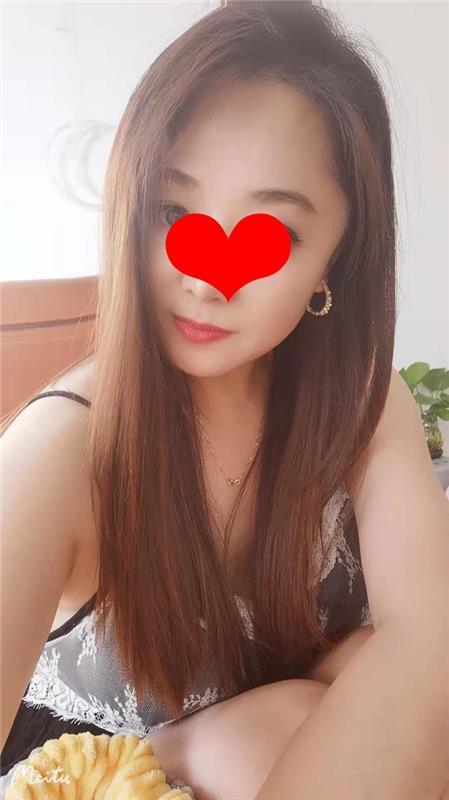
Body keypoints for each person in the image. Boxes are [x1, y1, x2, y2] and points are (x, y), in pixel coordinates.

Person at [3, 3, 448, 799]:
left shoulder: (357, 398)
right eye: (173, 213)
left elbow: (427, 635)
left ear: (334, 257)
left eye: (271, 235)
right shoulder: (61, 449)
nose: (207, 279)